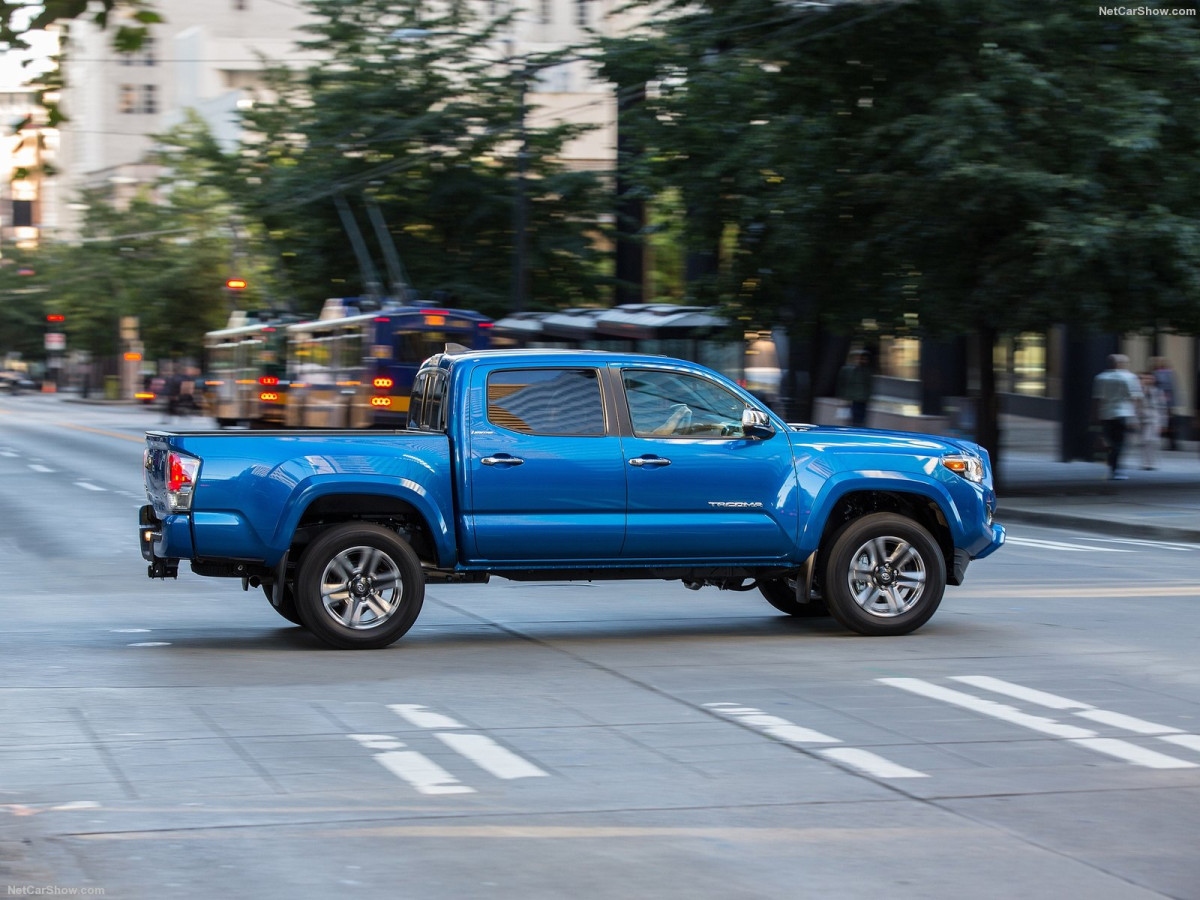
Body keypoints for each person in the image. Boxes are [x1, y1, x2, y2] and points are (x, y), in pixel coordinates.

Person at [1092, 354, 1143, 480]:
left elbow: (1097, 399)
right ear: (1120, 364)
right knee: (1120, 443)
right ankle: (1117, 469)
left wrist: (1095, 415)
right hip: (1123, 413)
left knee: (1111, 442)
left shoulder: (1100, 378)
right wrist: (1135, 416)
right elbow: (1135, 397)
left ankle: (1112, 466)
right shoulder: (1130, 377)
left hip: (1106, 413)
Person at [836, 349, 872, 427]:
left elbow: (868, 385)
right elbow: (843, 383)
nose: (864, 361)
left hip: (862, 398)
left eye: (865, 359)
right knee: (854, 417)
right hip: (853, 398)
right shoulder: (848, 369)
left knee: (858, 418)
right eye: (862, 358)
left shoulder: (866, 370)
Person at [1138, 372, 1165, 470]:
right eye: (1146, 378)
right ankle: (1145, 463)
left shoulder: (1158, 392)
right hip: (1143, 418)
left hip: (1154, 417)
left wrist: (1163, 423)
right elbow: (1137, 405)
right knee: (1144, 441)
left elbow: (1162, 407)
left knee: (1153, 441)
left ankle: (1152, 463)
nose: (1148, 380)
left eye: (1150, 378)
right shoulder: (1140, 391)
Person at [1150, 356, 1177, 450]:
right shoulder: (1168, 372)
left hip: (1163, 400)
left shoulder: (1164, 373)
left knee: (1167, 422)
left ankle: (1171, 443)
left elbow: (1170, 387)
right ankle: (1170, 442)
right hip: (1162, 400)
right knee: (1166, 422)